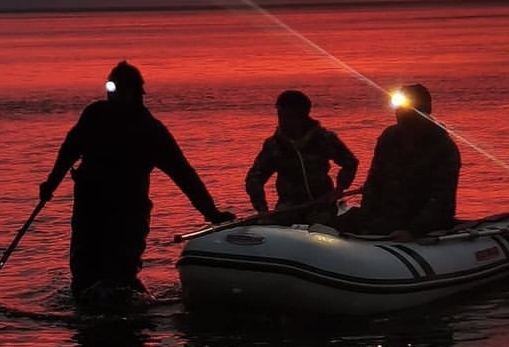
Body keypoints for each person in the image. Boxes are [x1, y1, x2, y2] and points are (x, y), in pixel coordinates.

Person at [39, 61, 233, 300]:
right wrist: (51, 184)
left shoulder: (150, 130)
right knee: (84, 272)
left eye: (117, 88)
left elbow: (184, 175)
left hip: (128, 212)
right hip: (90, 206)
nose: (111, 94)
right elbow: (69, 150)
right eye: (109, 87)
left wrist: (211, 213)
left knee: (120, 274)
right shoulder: (94, 115)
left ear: (133, 93)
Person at [337, 83, 460, 240]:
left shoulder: (442, 147)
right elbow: (374, 181)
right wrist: (367, 216)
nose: (399, 112)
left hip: (418, 220)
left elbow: (442, 198)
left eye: (406, 107)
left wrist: (414, 230)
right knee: (334, 223)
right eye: (398, 106)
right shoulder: (389, 137)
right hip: (386, 214)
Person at [244, 89, 359, 221]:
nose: (284, 122)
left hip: (322, 206)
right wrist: (262, 209)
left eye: (290, 117)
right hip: (288, 208)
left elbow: (350, 162)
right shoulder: (274, 145)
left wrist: (339, 189)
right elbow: (254, 178)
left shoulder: (324, 139)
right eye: (281, 116)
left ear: (304, 116)